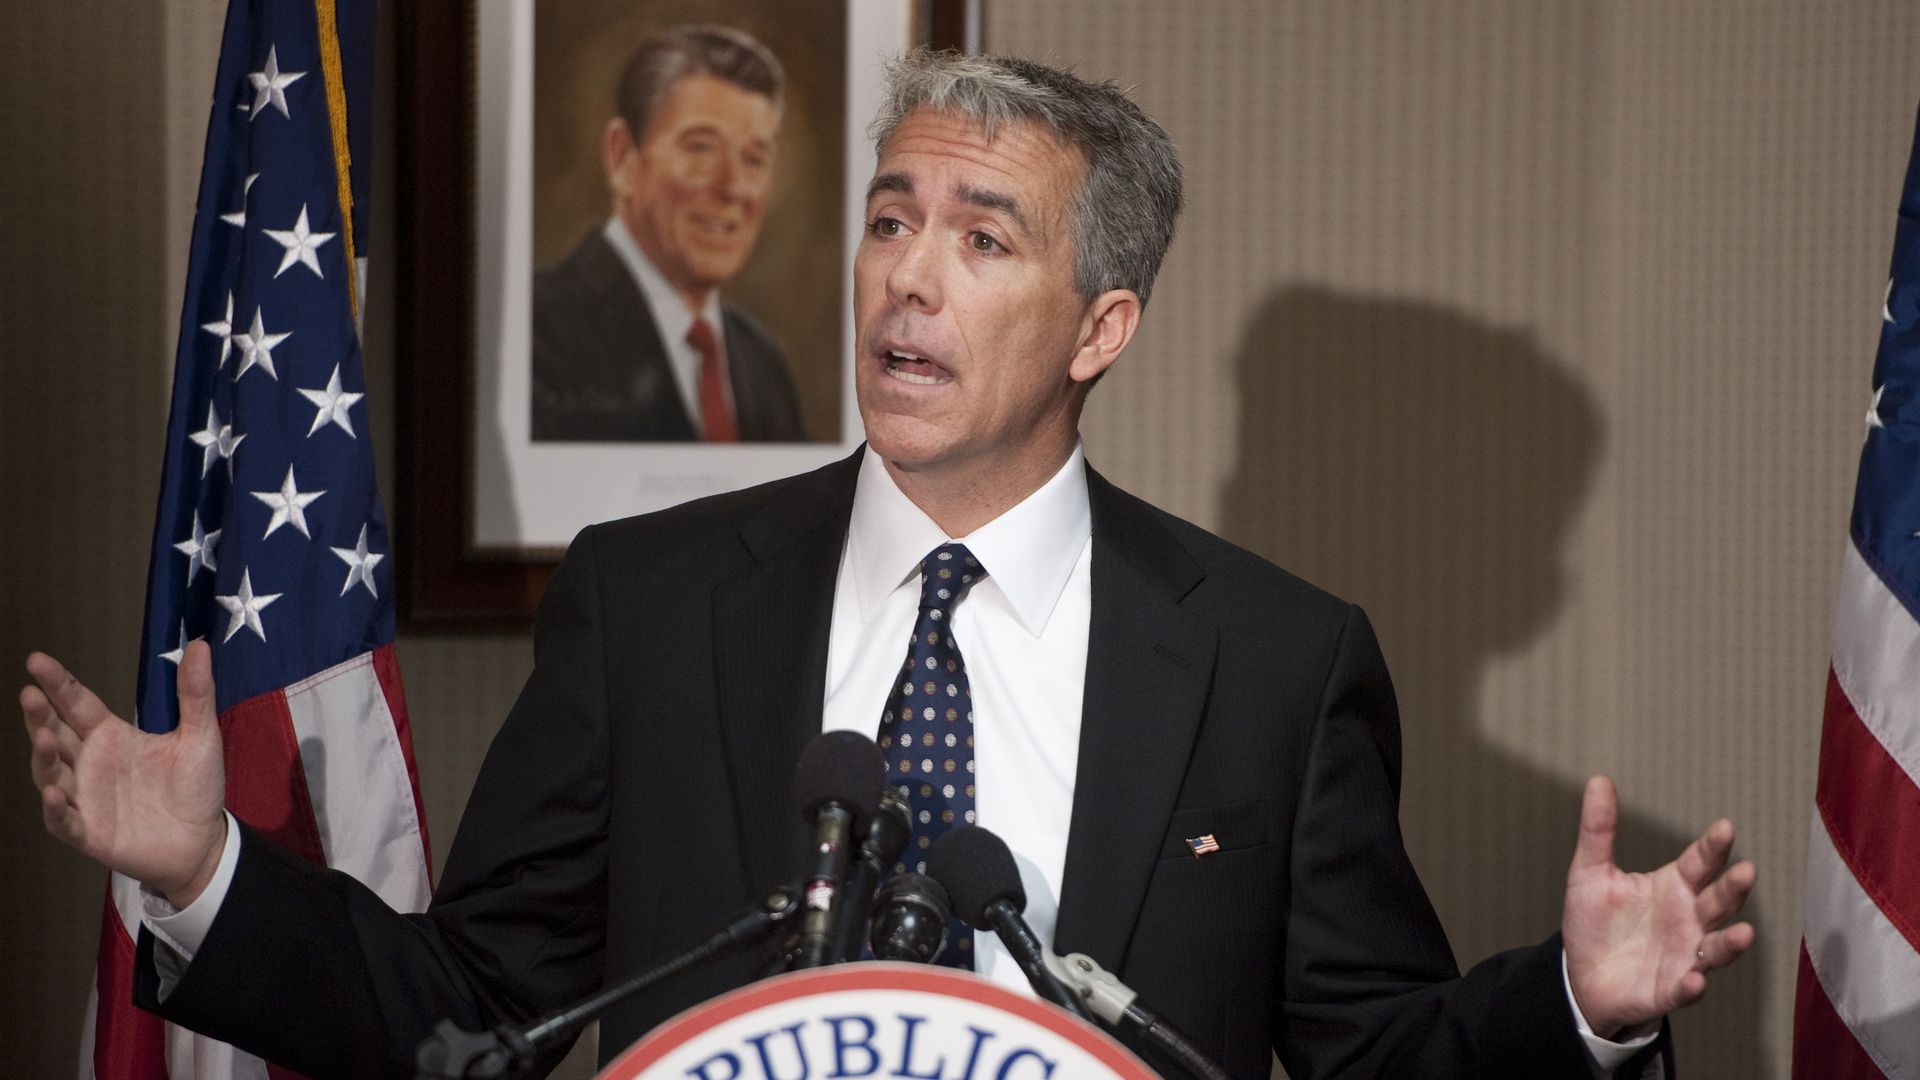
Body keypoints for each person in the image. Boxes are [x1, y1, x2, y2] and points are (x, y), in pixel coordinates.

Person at [21, 51, 1755, 1079]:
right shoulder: (649, 603)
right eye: (888, 219)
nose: (905, 280)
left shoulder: (1275, 664)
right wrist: (208, 880)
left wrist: (1580, 1013)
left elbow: (1371, 1062)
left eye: (980, 238)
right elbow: (480, 1020)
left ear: (1102, 325)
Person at [531, 24, 808, 443]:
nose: (732, 187)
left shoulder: (763, 363)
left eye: (753, 158)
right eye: (701, 148)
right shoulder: (537, 331)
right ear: (622, 156)